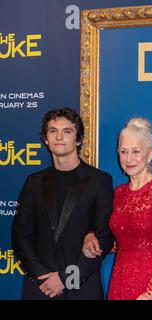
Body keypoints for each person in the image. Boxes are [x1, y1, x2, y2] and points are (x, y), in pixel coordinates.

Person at [11, 108, 114, 300]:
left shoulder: (99, 181)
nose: (59, 136)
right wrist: (44, 278)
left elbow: (105, 237)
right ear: (46, 139)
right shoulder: (34, 182)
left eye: (67, 131)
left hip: (82, 289)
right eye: (52, 131)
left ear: (78, 139)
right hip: (41, 288)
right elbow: (20, 235)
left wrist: (66, 278)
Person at [82, 118, 152, 300]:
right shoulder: (118, 193)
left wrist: (149, 293)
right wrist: (91, 238)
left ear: (149, 155)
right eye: (123, 152)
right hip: (121, 281)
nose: (129, 159)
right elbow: (118, 241)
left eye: (136, 151)